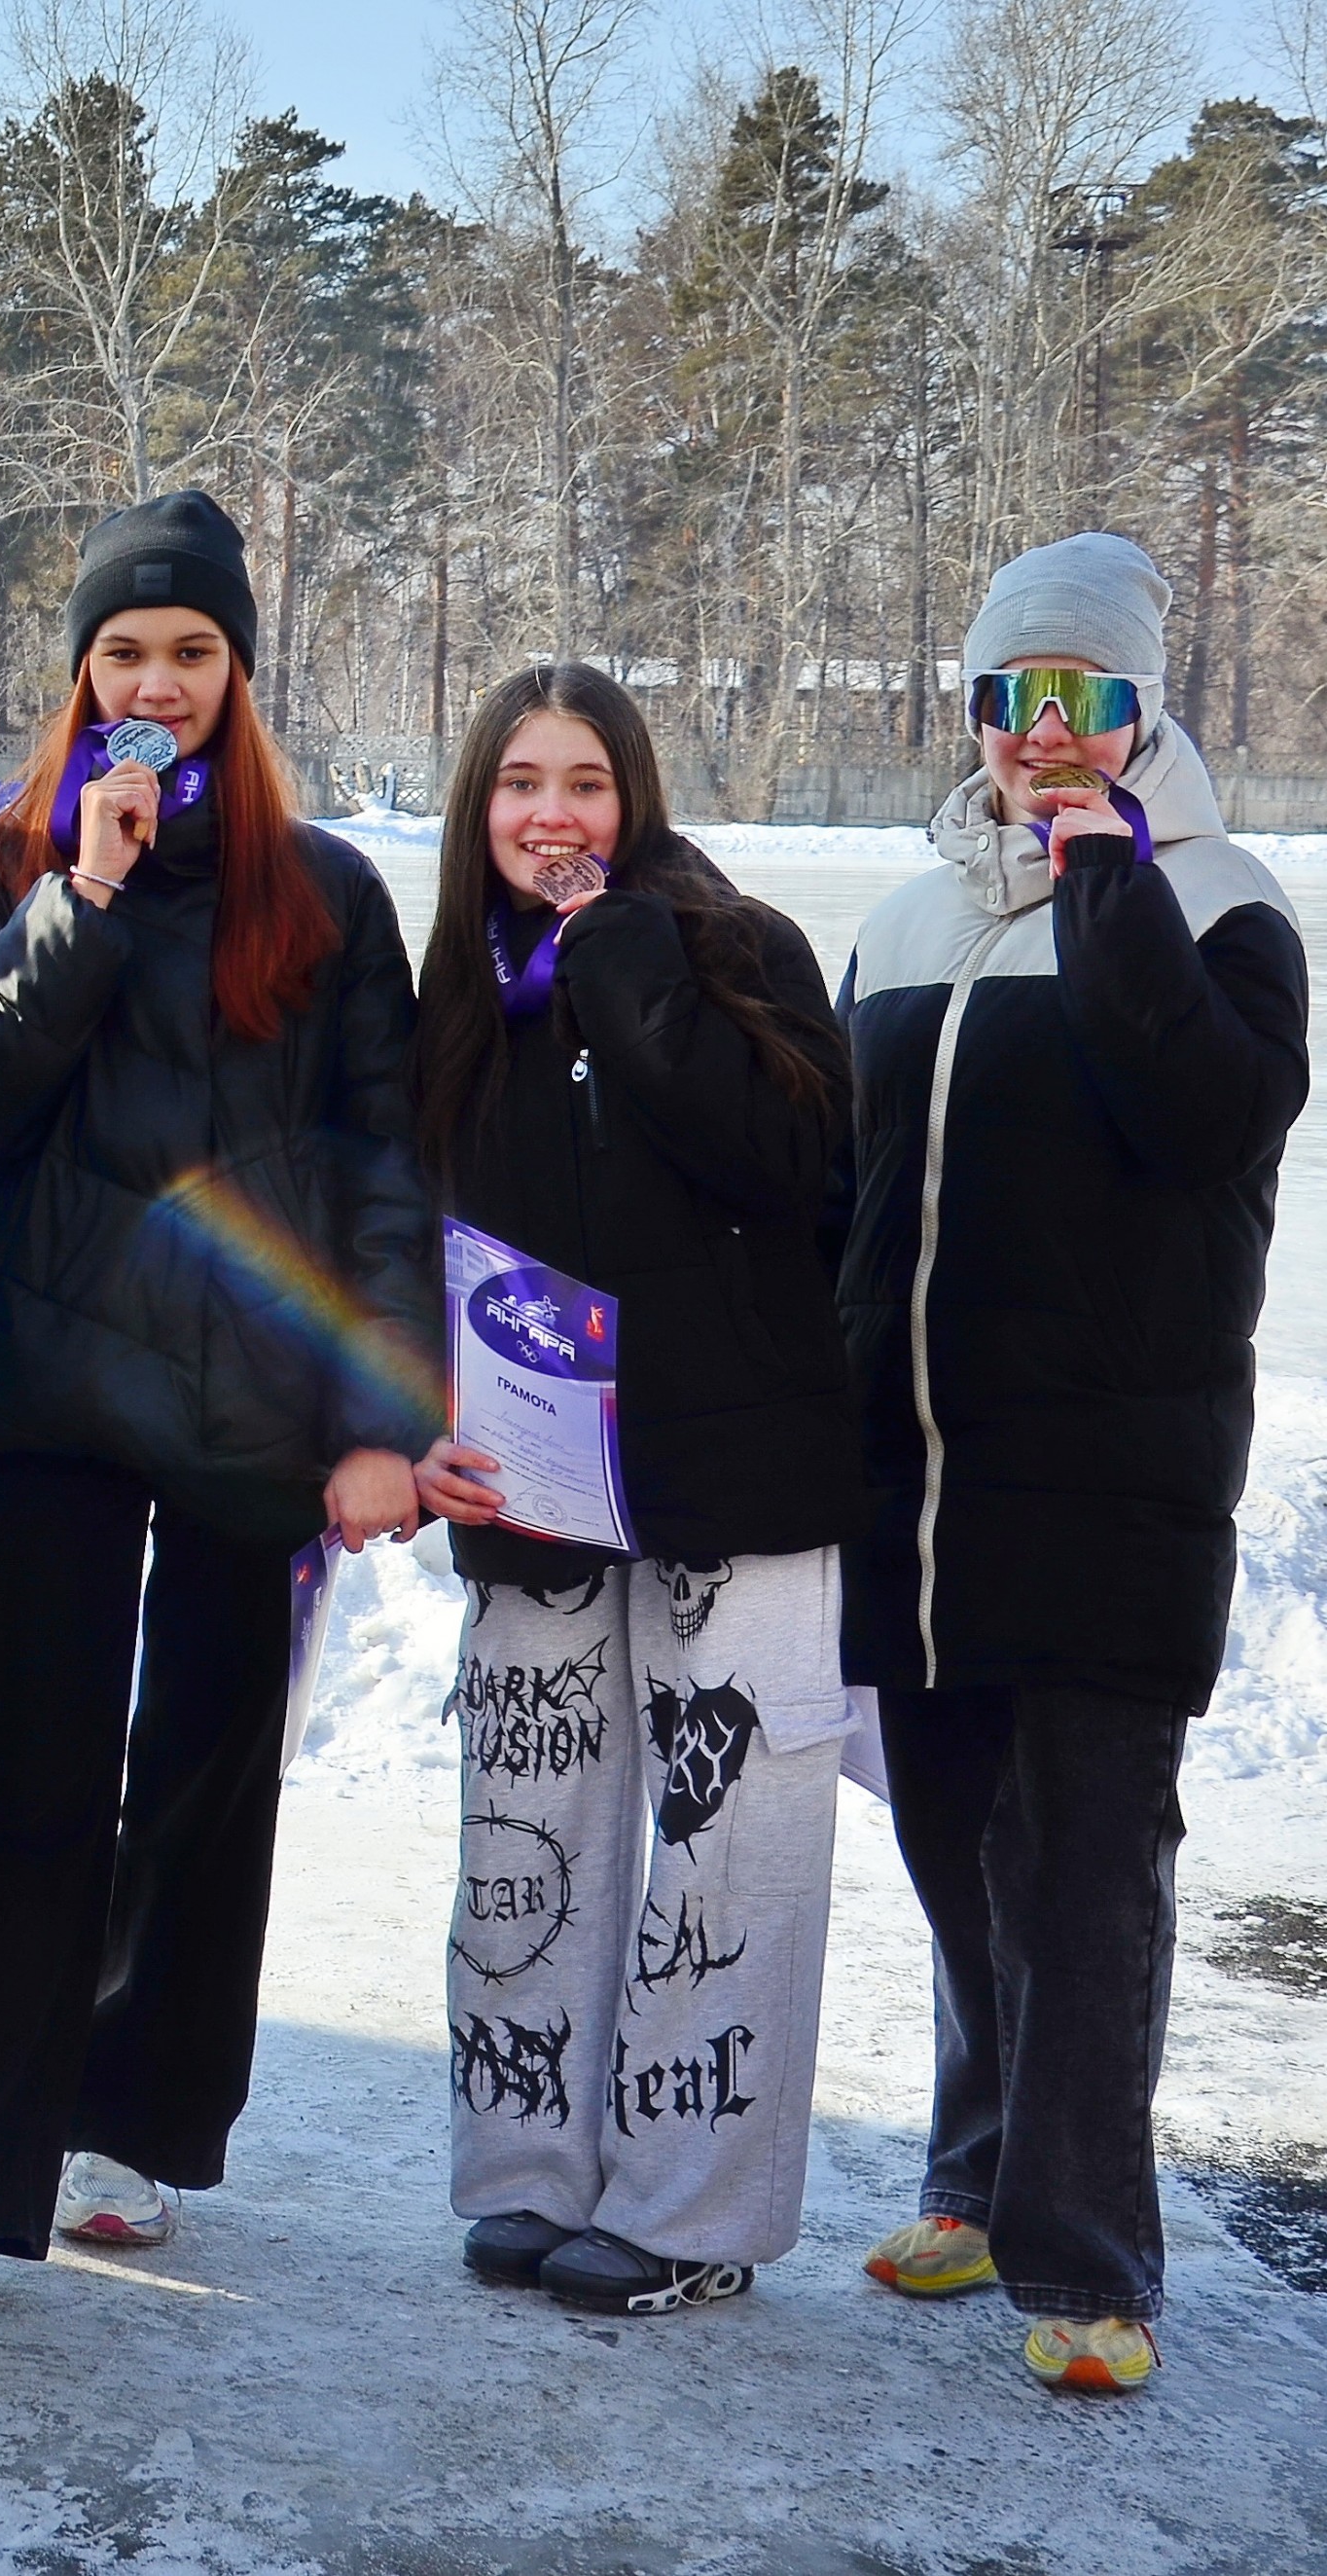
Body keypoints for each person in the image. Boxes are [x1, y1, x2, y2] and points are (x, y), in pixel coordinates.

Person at [0, 492, 432, 2363]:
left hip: (252, 1409)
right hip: (47, 1393)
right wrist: (76, 898)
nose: (155, 684)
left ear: (238, 677)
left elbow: (382, 1166)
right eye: (122, 655)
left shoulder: (323, 892)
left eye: (190, 653)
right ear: (77, 679)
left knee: (202, 1772)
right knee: (20, 1775)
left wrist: (384, 1416)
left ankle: (132, 2118)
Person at [836, 533, 1306, 2396]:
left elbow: (1205, 1120)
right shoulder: (905, 919)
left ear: (1142, 707)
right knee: (958, 1853)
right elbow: (859, 1201)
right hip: (923, 1484)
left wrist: (1107, 881)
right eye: (1014, 697)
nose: (1046, 735)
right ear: (971, 707)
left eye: (1087, 698)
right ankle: (976, 2173)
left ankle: (1094, 2256)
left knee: (1087, 1870)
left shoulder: (1223, 901)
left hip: (1112, 1480)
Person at [405, 664, 859, 2317]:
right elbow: (415, 1232)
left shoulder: (728, 944)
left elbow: (791, 1166)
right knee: (534, 1833)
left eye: (585, 781)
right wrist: (414, 1410)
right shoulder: (460, 988)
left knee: (721, 1850)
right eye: (520, 782)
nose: (552, 815)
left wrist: (625, 966)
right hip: (537, 1484)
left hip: (734, 1476)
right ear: (481, 808)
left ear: (635, 796)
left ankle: (691, 2215)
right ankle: (532, 2166)